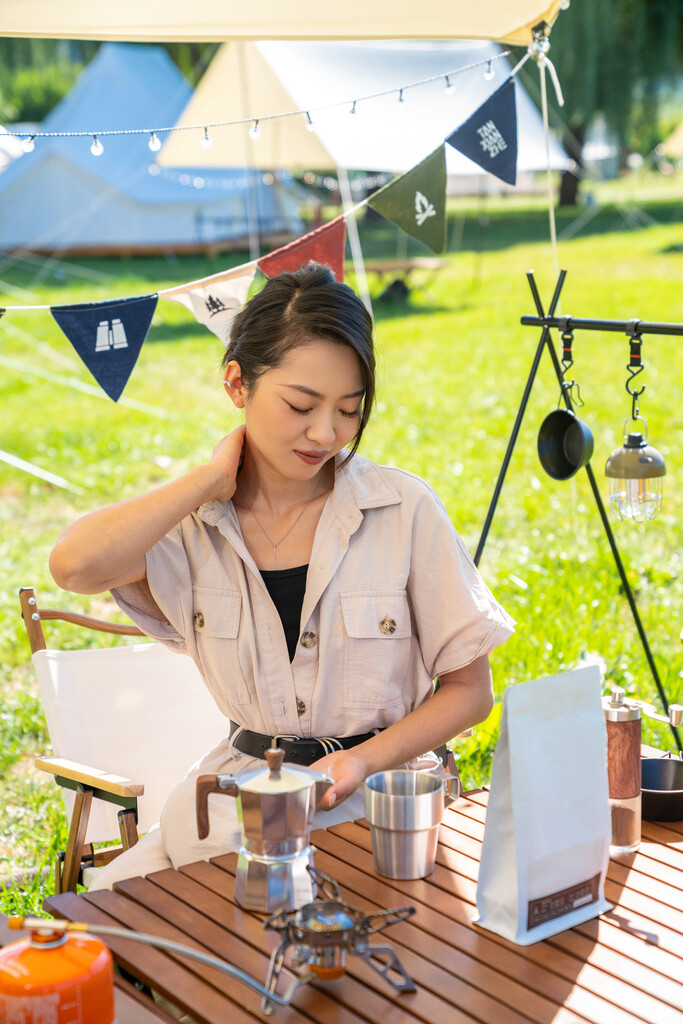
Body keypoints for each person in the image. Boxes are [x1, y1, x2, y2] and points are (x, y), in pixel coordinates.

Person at [49, 262, 515, 889]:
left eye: (349, 410)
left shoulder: (402, 510)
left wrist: (361, 761)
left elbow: (470, 690)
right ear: (237, 384)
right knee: (107, 923)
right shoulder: (195, 524)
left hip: (374, 816)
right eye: (301, 405)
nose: (326, 433)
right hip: (228, 813)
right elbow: (73, 564)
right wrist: (208, 482)